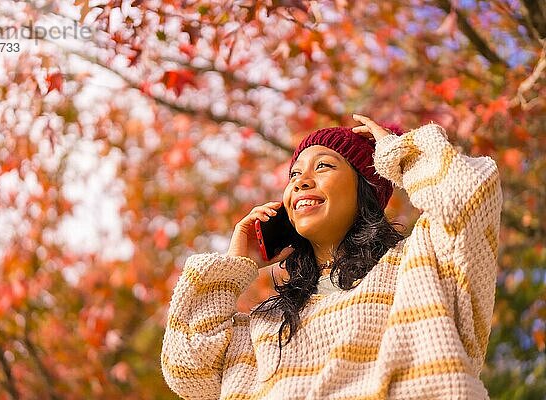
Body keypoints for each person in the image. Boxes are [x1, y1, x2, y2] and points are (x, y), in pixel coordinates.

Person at [161, 114, 503, 399]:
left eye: (323, 166)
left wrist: (398, 152)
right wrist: (234, 267)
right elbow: (187, 370)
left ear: (364, 187)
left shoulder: (422, 263)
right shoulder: (264, 325)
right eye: (294, 175)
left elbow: (471, 193)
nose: (301, 182)